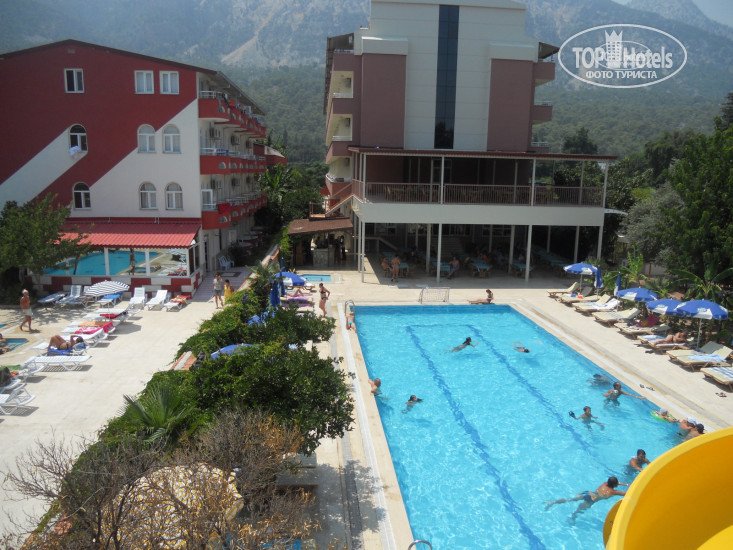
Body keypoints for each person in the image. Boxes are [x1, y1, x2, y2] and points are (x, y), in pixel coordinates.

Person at [545, 477, 627, 524]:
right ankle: (572, 519)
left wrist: (625, 484)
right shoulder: (612, 492)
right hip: (590, 501)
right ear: (614, 484)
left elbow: (614, 482)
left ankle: (552, 502)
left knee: (569, 500)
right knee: (577, 511)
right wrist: (628, 485)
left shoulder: (605, 483)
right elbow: (625, 493)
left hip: (588, 494)